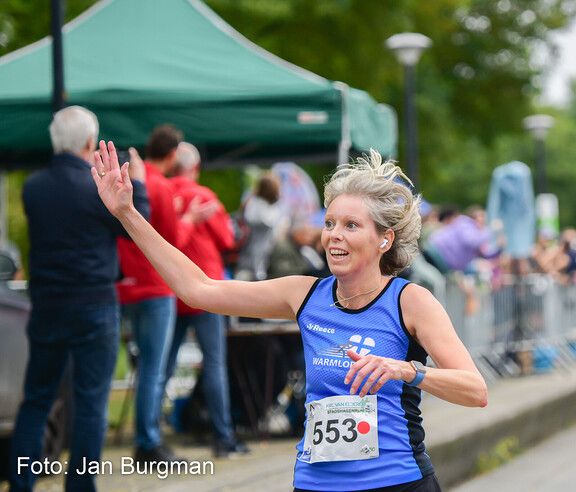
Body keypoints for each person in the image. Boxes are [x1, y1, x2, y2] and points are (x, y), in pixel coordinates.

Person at [92, 144, 487, 491]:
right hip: (316, 484)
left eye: (351, 225)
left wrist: (406, 371)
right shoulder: (305, 294)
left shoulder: (410, 301)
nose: (334, 235)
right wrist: (128, 214)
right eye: (329, 223)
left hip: (397, 482)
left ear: (384, 239)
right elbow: (198, 290)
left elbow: (475, 390)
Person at [9, 106, 150, 491]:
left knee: (36, 399)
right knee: (91, 404)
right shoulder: (96, 188)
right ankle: (80, 486)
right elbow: (139, 224)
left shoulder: (33, 187)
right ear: (91, 143)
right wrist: (140, 182)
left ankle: (21, 481)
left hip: (48, 305)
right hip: (95, 304)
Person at [116, 125, 215, 464]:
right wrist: (188, 219)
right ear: (173, 155)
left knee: (142, 366)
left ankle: (145, 434)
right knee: (153, 369)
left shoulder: (128, 181)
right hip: (156, 287)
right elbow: (173, 243)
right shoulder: (160, 187)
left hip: (126, 286)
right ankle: (148, 440)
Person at [163, 142, 247, 457]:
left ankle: (151, 436)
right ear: (195, 168)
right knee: (214, 364)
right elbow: (227, 239)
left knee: (162, 365)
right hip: (208, 289)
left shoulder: (163, 194)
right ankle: (223, 439)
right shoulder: (205, 197)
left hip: (172, 288)